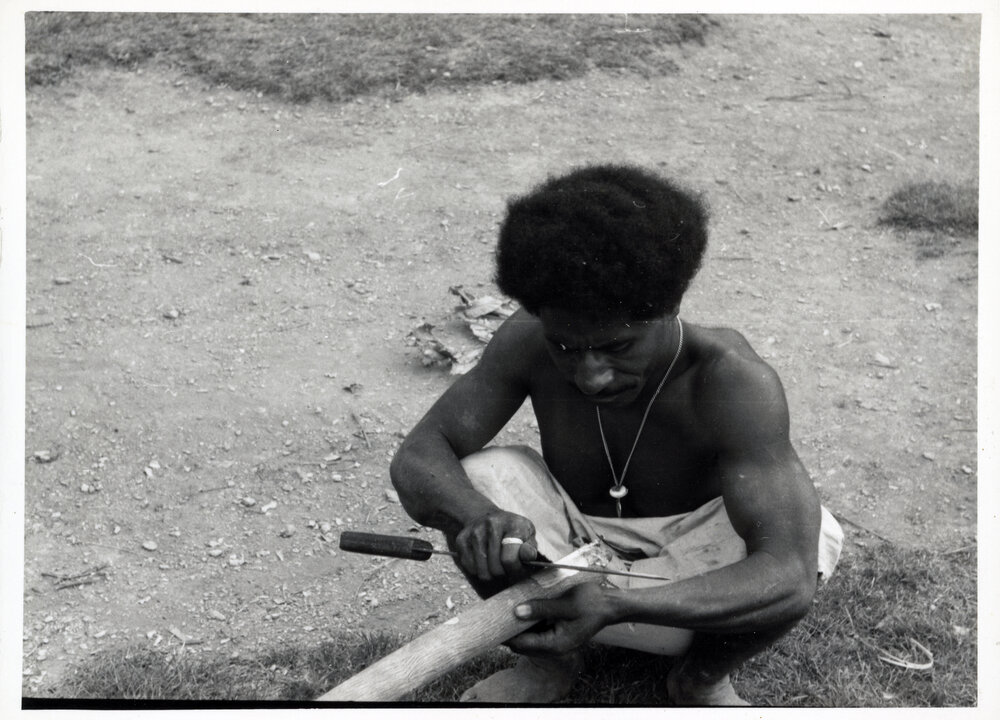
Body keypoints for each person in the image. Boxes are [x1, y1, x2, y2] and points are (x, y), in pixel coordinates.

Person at [390, 164, 843, 705]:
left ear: (668, 309)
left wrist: (620, 603)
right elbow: (419, 455)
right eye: (566, 347)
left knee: (809, 538)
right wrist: (477, 518)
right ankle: (549, 664)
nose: (590, 375)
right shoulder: (526, 339)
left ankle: (700, 679)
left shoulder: (731, 378)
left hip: (692, 571)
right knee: (473, 480)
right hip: (571, 557)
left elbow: (788, 578)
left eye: (617, 347)